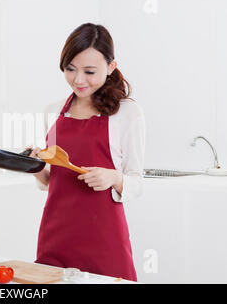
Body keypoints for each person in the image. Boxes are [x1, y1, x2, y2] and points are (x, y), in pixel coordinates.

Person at [28, 23, 145, 281]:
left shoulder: (127, 113)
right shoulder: (52, 111)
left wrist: (114, 178)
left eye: (90, 71)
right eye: (70, 69)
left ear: (111, 67)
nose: (78, 80)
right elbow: (53, 181)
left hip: (104, 238)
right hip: (56, 234)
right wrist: (37, 168)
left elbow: (137, 181)